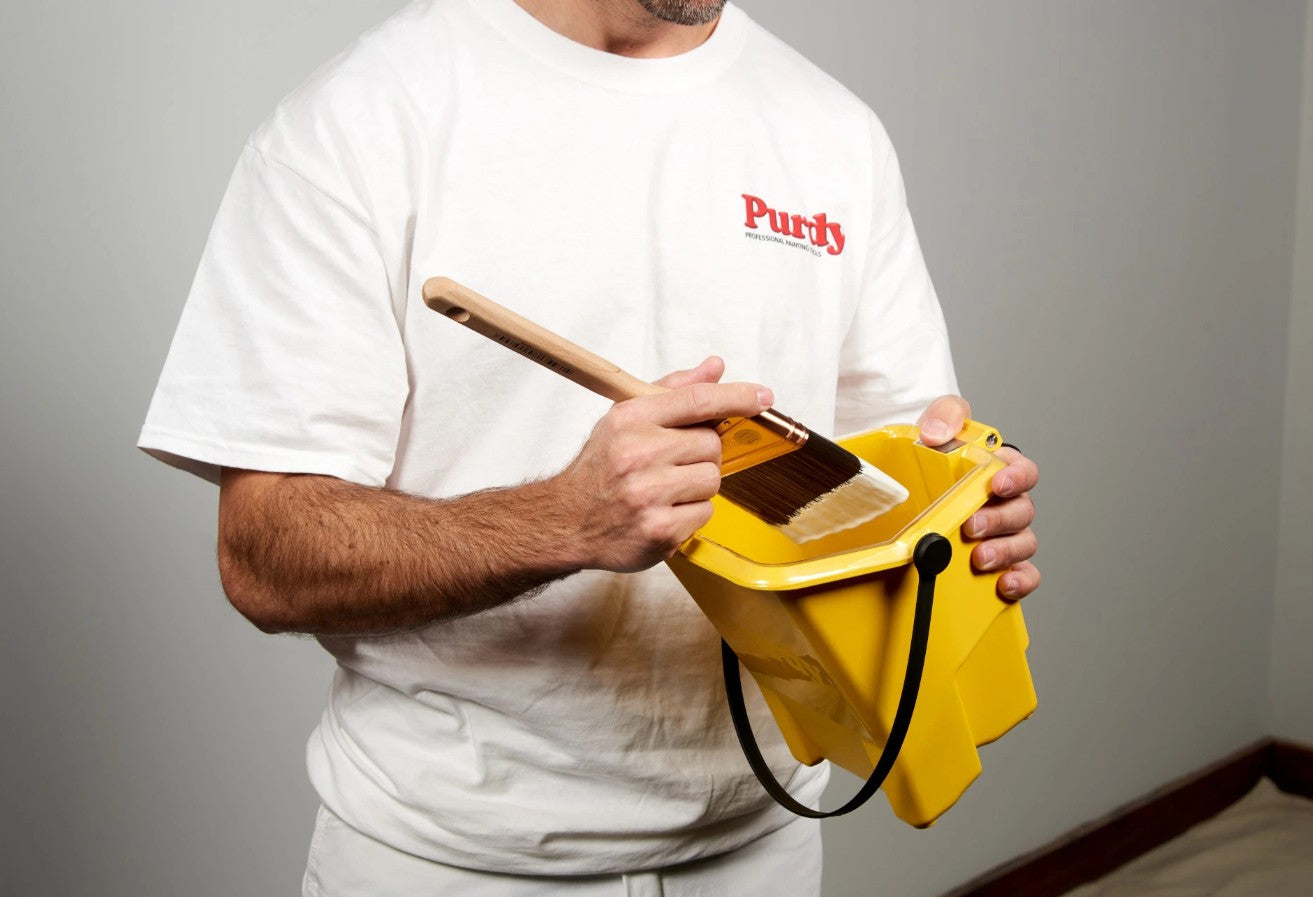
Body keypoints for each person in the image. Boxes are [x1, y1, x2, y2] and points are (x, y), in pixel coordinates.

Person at [139, 0, 1040, 894]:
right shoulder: (362, 117)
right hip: (452, 856)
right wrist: (563, 520)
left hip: (765, 835)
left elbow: (890, 474)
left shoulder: (831, 130)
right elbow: (265, 556)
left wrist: (964, 512)